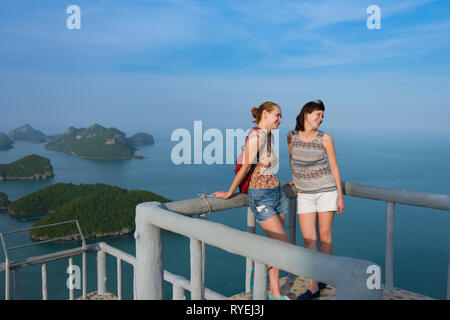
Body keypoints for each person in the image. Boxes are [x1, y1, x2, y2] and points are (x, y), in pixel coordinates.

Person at [213, 101, 290, 300]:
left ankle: (275, 292)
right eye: (277, 115)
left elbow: (266, 166)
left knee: (276, 245)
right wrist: (230, 192)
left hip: (277, 193)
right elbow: (246, 167)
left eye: (281, 116)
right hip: (261, 196)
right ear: (265, 114)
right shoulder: (256, 135)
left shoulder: (269, 135)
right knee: (284, 245)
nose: (280, 120)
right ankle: (257, 270)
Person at [286, 100, 344, 300]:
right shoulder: (291, 137)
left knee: (325, 236)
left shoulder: (326, 138)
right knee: (309, 239)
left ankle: (323, 277)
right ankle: (313, 287)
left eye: (322, 116)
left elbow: (334, 167)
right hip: (304, 194)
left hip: (326, 191)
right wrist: (296, 177)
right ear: (306, 114)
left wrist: (340, 196)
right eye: (317, 115)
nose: (320, 119)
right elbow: (293, 159)